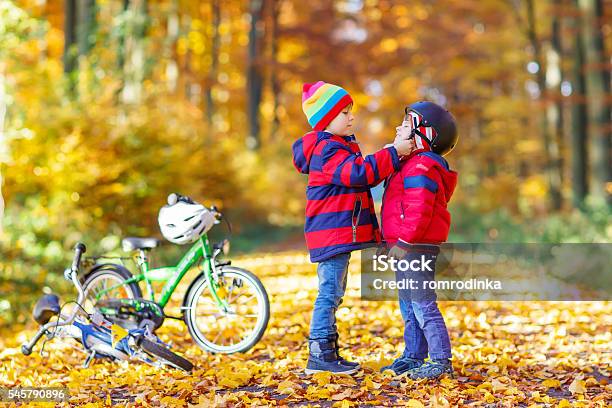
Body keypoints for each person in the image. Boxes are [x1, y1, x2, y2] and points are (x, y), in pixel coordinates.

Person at [292, 81, 416, 374]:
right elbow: (358, 173)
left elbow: (363, 177)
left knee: (334, 291)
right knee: (329, 293)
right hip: (330, 233)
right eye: (343, 112)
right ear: (325, 120)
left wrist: (390, 154)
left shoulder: (339, 146)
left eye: (351, 111)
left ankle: (328, 352)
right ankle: (320, 354)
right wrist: (393, 153)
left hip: (333, 233)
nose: (351, 117)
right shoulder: (327, 149)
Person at [379, 101, 459, 379]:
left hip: (415, 246)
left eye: (406, 124)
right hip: (405, 244)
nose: (398, 127)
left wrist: (403, 242)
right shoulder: (409, 164)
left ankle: (440, 360)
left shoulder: (423, 167)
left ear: (427, 134)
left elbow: (419, 211)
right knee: (408, 303)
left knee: (422, 303)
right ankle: (414, 355)